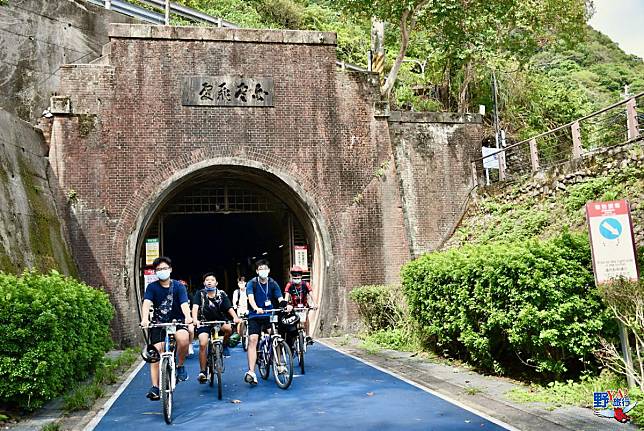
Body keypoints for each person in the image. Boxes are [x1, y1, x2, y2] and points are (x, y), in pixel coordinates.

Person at [140, 257, 193, 400]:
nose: (162, 271)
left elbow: (184, 304)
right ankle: (155, 387)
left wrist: (187, 317)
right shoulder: (152, 287)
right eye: (158, 270)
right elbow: (146, 303)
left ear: (170, 269)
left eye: (164, 268)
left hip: (178, 321)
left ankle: (180, 365)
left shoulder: (178, 286)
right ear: (155, 272)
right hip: (159, 323)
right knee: (156, 351)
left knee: (183, 339)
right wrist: (145, 318)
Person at [244, 260, 291, 385]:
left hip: (269, 315)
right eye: (260, 268)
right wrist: (255, 308)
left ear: (269, 270)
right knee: (253, 339)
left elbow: (280, 298)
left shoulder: (273, 283)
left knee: (276, 337)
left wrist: (286, 305)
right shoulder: (252, 283)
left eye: (265, 268)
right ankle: (251, 372)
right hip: (255, 315)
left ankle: (280, 363)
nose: (263, 270)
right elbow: (251, 298)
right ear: (257, 271)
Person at [192, 272, 241, 384]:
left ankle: (224, 345)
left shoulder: (221, 294)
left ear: (216, 282)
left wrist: (235, 317)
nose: (209, 281)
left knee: (228, 329)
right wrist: (195, 319)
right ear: (204, 283)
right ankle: (203, 371)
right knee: (203, 343)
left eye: (212, 280)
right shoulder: (199, 294)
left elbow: (229, 307)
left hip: (219, 321)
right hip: (204, 322)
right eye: (207, 280)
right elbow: (195, 307)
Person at [284, 265, 316, 345]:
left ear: (301, 276)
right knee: (293, 321)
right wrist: (285, 305)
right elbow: (286, 296)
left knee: (306, 319)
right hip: (293, 306)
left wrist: (315, 304)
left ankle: (308, 335)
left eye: (298, 275)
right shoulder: (289, 285)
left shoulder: (306, 284)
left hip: (304, 305)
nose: (296, 277)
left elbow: (311, 294)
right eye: (294, 275)